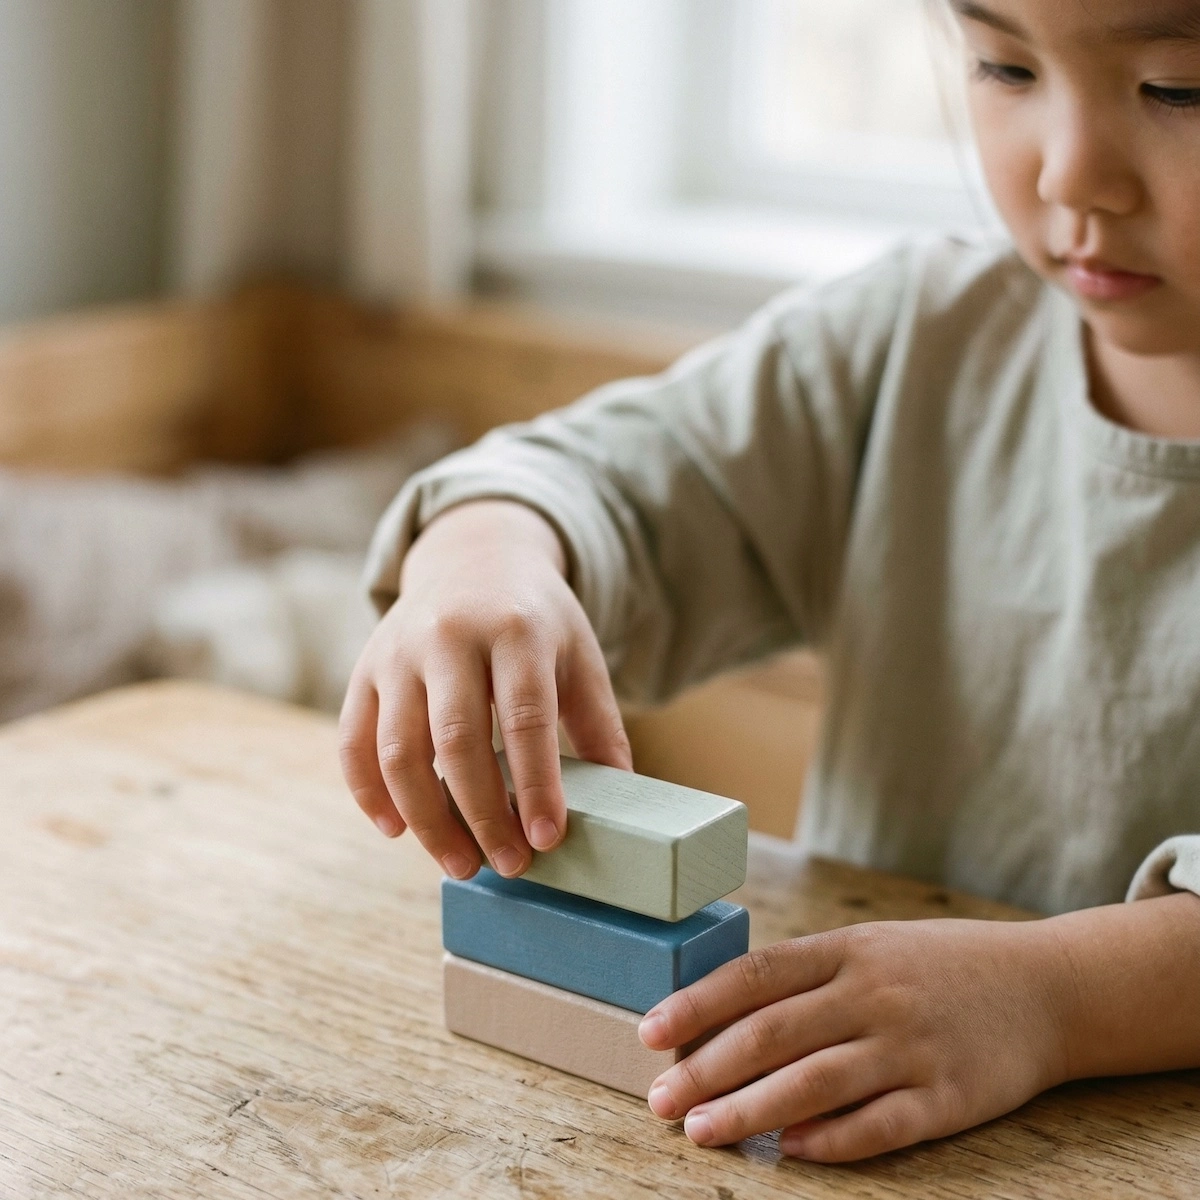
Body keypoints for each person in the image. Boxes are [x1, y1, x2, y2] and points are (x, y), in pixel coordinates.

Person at [339, 0, 1200, 1163]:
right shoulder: (914, 338)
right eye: (1005, 65)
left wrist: (1052, 996)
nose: (1071, 174)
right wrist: (486, 547)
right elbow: (605, 478)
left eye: (1177, 87)